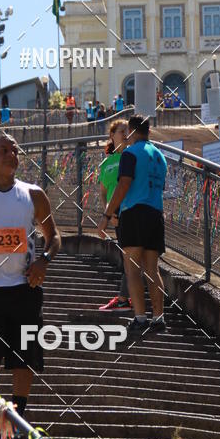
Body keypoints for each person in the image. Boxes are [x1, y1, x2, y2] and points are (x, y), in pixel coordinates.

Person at [0, 133, 61, 422]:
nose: (12, 154)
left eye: (15, 150)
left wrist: (44, 261)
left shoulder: (33, 194)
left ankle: (16, 418)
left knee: (25, 356)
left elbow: (55, 237)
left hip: (25, 287)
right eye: (4, 150)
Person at [98, 115, 167, 336]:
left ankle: (139, 318)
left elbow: (124, 184)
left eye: (127, 130)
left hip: (134, 212)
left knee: (132, 269)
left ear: (132, 131)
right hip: (156, 213)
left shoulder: (130, 153)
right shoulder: (160, 156)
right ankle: (158, 318)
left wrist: (107, 215)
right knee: (152, 269)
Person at [97, 119, 131, 311]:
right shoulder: (106, 162)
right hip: (115, 215)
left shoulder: (131, 155)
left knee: (131, 258)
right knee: (127, 257)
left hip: (130, 210)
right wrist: (108, 214)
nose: (125, 133)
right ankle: (125, 298)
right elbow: (103, 192)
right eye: (121, 130)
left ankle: (124, 298)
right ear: (112, 135)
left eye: (127, 130)